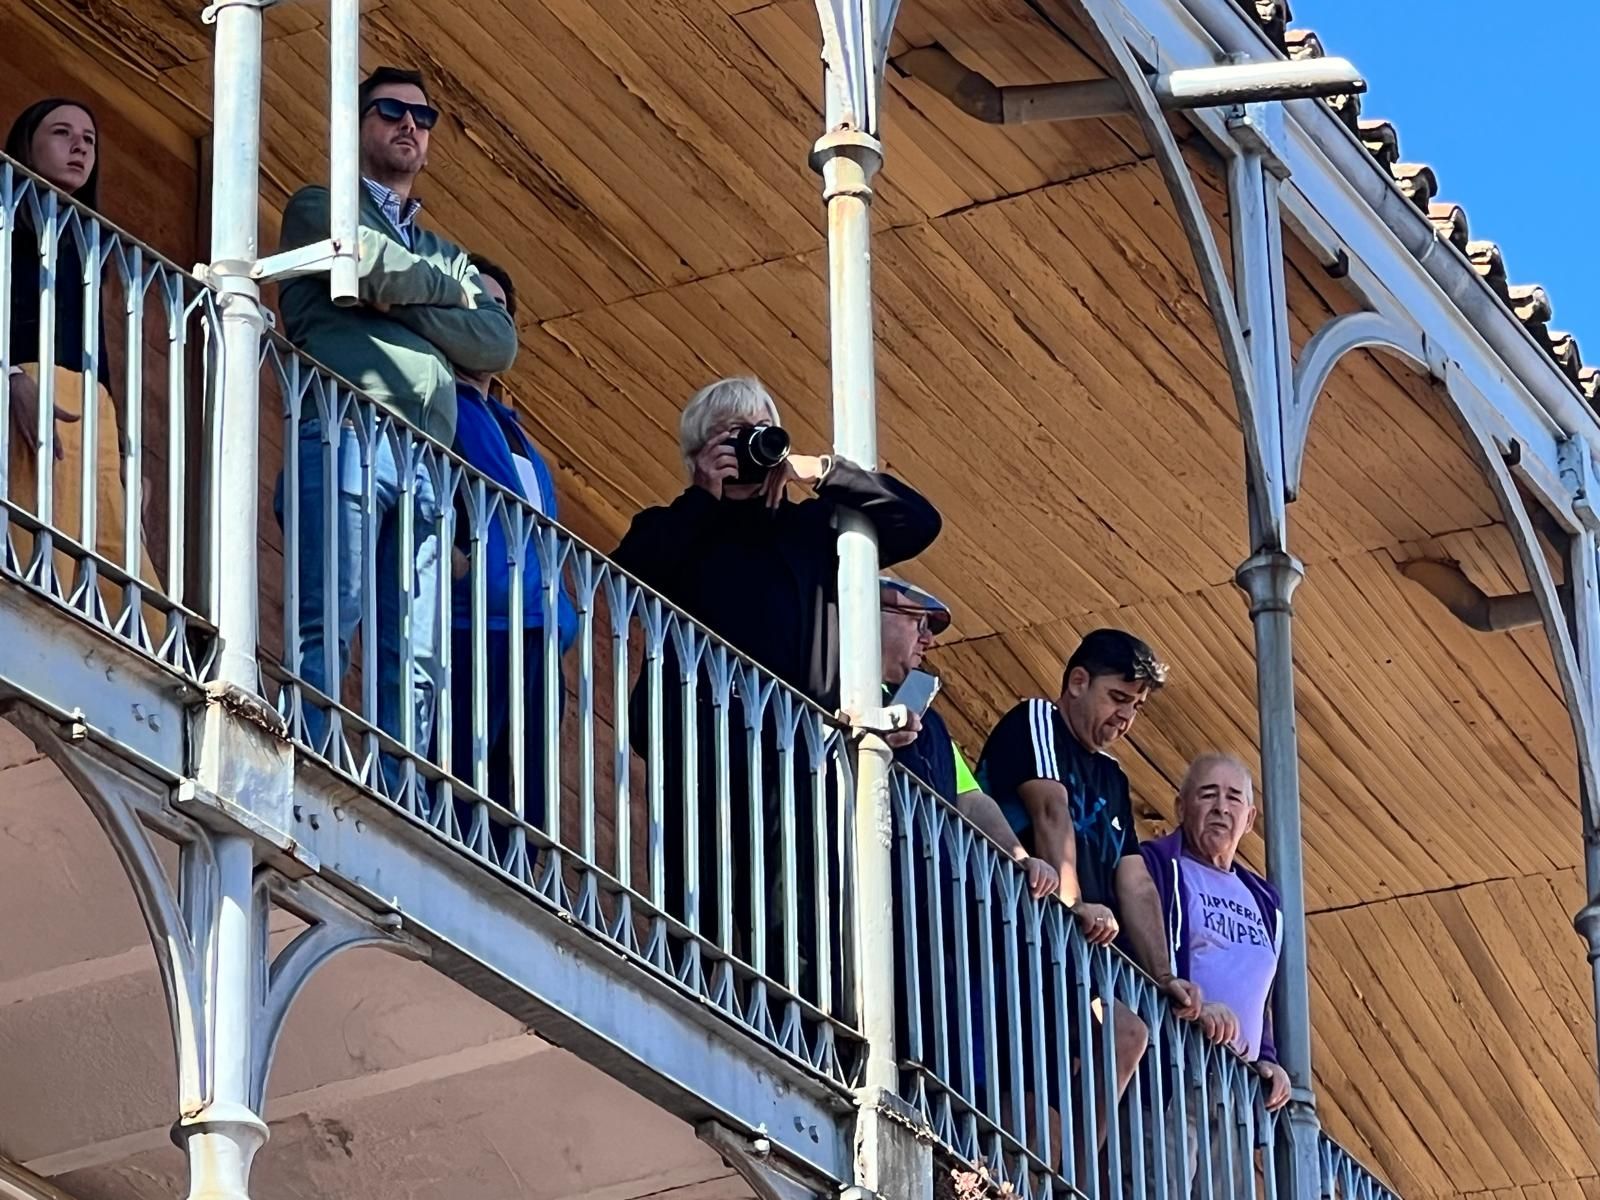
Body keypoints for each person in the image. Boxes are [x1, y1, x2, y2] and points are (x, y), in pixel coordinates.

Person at [610, 375, 940, 1005]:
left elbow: (918, 521)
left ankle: (797, 1024)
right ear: (700, 452)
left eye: (759, 432)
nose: (750, 447)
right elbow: (627, 582)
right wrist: (703, 497)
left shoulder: (815, 529)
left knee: (796, 913)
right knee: (699, 894)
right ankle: (691, 1003)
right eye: (732, 437)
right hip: (701, 747)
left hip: (797, 755)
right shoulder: (675, 527)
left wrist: (823, 472)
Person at [276, 66, 517, 769]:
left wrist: (390, 290)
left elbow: (496, 343)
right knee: (332, 610)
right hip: (348, 427)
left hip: (426, 460)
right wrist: (441, 298)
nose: (410, 124)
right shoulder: (319, 206)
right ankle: (311, 756)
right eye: (390, 110)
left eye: (424, 117)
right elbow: (361, 258)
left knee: (418, 650)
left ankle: (394, 783)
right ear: (358, 127)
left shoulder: (444, 250)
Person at [976, 629, 1202, 1151]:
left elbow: (1136, 881)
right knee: (1027, 1104)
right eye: (1117, 698)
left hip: (1073, 960)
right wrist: (1074, 907)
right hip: (1022, 941)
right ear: (1078, 682)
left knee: (1128, 1035)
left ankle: (1072, 1177)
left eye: (1136, 706)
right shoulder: (1039, 720)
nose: (1126, 717)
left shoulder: (1112, 775)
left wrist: (1164, 975)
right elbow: (1051, 814)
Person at [4, 99, 156, 598]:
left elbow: (97, 353)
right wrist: (9, 379)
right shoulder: (5, 214)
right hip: (25, 391)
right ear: (27, 143)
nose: (79, 147)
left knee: (113, 553)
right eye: (62, 133)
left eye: (89, 139)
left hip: (91, 409)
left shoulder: (84, 241)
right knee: (31, 548)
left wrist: (125, 450)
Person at [446, 255, 576, 831]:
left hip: (536, 633)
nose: (488, 316)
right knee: (461, 791)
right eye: (474, 302)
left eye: (499, 308)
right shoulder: (436, 398)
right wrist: (462, 568)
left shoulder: (514, 429)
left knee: (523, 808)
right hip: (472, 626)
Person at [1141, 753, 1289, 1193]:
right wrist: (1194, 1003)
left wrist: (1268, 1057)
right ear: (1180, 806)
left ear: (1250, 818)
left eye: (1233, 798)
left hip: (1234, 1088)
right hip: (1174, 1070)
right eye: (1208, 795)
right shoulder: (1157, 866)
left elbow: (1259, 992)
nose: (1221, 807)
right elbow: (1138, 955)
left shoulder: (1264, 900)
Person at [879, 575, 1056, 897]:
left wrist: (1019, 858)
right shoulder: (833, 691)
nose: (928, 640)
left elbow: (970, 800)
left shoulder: (929, 719)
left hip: (929, 894)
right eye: (918, 624)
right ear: (869, 615)